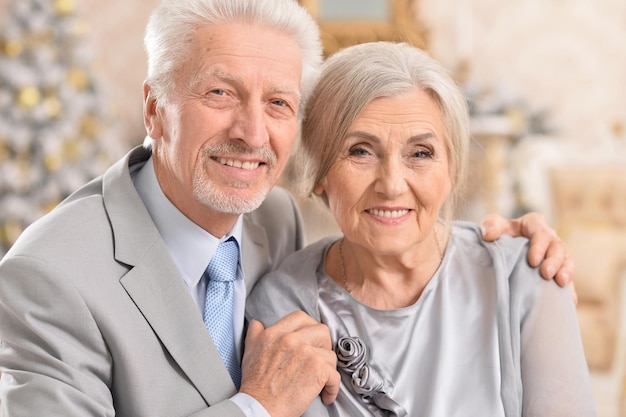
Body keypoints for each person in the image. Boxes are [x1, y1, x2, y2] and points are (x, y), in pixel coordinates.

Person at [0, 0, 573, 416]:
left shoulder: (271, 219)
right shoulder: (51, 277)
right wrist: (257, 408)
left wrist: (510, 246)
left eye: (278, 102)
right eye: (219, 93)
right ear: (154, 108)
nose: (252, 133)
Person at [247, 41, 595, 417]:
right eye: (361, 150)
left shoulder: (525, 276)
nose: (392, 184)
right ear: (319, 173)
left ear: (452, 170)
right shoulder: (283, 305)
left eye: (420, 153)